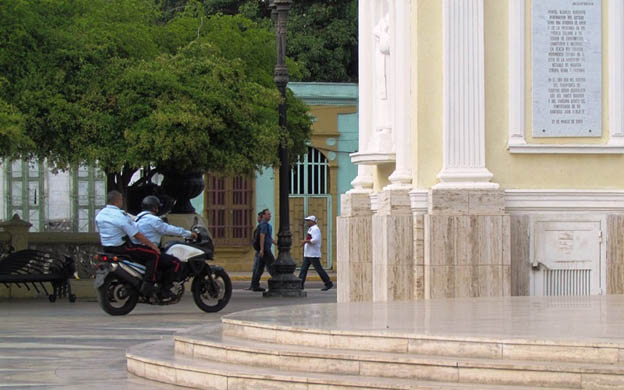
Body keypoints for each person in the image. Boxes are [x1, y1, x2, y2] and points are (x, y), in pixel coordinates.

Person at [95, 190, 161, 296]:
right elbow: (136, 235)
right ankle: (148, 285)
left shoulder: (100, 214)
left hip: (106, 248)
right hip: (121, 247)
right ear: (118, 201)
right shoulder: (120, 215)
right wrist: (152, 245)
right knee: (154, 255)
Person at [131, 195, 198, 297]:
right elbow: (168, 229)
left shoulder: (137, 219)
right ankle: (165, 289)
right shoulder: (153, 220)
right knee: (175, 263)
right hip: (149, 251)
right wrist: (189, 233)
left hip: (138, 251)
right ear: (154, 208)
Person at [298, 215, 333, 291]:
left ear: (313, 221)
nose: (307, 222)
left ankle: (328, 283)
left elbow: (315, 240)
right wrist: (305, 242)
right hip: (308, 254)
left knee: (319, 269)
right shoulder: (311, 229)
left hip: (313, 254)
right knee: (303, 269)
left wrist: (306, 241)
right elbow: (309, 238)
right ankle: (300, 285)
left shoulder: (315, 229)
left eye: (308, 221)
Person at [250, 208, 277, 292]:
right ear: (264, 215)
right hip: (265, 249)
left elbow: (268, 237)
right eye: (268, 214)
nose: (270, 216)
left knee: (260, 268)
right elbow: (262, 236)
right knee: (272, 266)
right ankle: (277, 282)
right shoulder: (264, 224)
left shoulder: (263, 224)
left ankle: (255, 285)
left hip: (264, 249)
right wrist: (262, 249)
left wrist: (276, 243)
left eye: (270, 214)